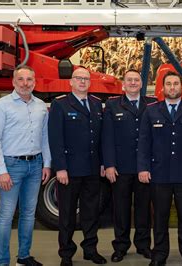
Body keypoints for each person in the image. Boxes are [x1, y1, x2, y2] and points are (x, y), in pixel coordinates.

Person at [137, 71, 182, 266]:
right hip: (159, 174)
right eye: (168, 84)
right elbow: (144, 143)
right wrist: (143, 168)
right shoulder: (151, 111)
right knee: (159, 219)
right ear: (162, 88)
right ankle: (159, 255)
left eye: (175, 84)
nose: (172, 87)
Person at [0, 65, 51, 266]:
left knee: (29, 214)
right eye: (21, 79)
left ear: (35, 82)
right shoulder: (0, 106)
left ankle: (23, 257)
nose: (25, 83)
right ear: (13, 82)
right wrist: (1, 171)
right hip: (11, 166)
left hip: (35, 165)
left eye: (29, 80)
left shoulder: (41, 106)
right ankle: (3, 262)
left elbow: (45, 138)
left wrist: (47, 164)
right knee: (6, 216)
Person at [48, 67, 107, 266]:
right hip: (70, 170)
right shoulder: (60, 104)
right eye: (78, 78)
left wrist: (103, 163)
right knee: (67, 214)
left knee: (91, 212)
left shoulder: (97, 104)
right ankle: (66, 254)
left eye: (86, 79)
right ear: (71, 82)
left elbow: (101, 138)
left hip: (92, 169)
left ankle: (90, 249)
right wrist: (60, 168)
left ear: (90, 83)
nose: (82, 82)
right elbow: (55, 139)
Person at [102, 69, 157, 262]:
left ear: (142, 84)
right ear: (123, 84)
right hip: (121, 168)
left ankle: (143, 245)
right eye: (129, 80)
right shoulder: (112, 105)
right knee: (121, 210)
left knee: (144, 209)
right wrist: (108, 164)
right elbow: (107, 137)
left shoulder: (152, 104)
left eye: (136, 80)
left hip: (145, 168)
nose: (133, 83)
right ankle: (121, 246)